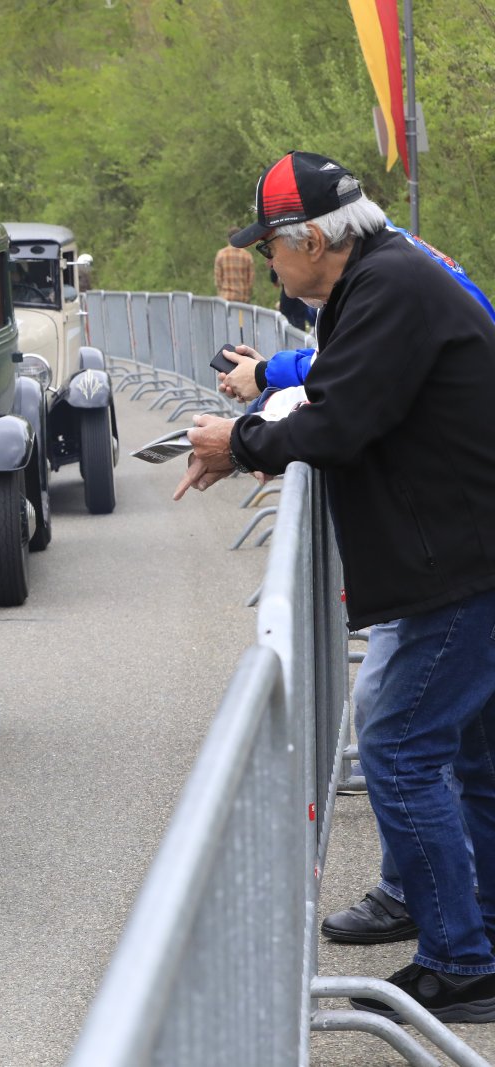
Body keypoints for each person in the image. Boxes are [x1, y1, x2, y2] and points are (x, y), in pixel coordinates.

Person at [175, 152, 495, 1022]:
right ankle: (480, 932)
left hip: (463, 564)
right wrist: (251, 427)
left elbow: (343, 419)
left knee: (398, 746)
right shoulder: (383, 277)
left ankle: (462, 963)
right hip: (464, 551)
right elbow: (340, 388)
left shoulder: (388, 286)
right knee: (472, 753)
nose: (267, 264)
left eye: (269, 248)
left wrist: (237, 442)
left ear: (311, 241)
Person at [214, 227, 255, 303]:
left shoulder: (221, 254)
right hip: (242, 299)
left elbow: (218, 279)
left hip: (225, 299)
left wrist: (220, 292)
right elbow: (250, 280)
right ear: (241, 238)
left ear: (228, 239)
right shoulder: (247, 256)